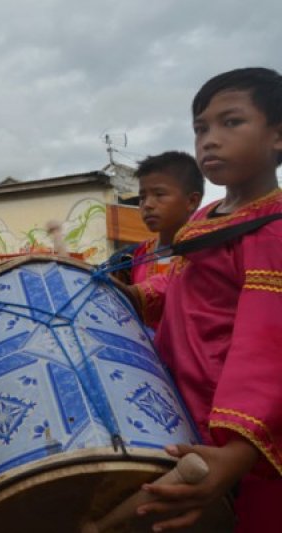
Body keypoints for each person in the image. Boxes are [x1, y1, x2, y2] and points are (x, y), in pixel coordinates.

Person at [133, 67, 282, 532]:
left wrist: (237, 451)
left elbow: (268, 342)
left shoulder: (273, 229)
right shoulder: (204, 217)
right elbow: (181, 289)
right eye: (201, 128)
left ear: (278, 136)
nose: (209, 140)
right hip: (180, 403)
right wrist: (136, 296)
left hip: (238, 426)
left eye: (230, 123)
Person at [110, 152, 203, 285]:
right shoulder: (131, 259)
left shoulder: (209, 254)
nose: (147, 205)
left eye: (159, 194)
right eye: (142, 197)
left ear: (192, 201)